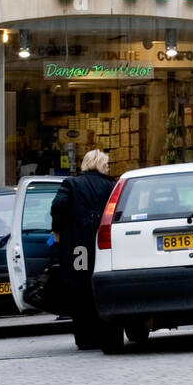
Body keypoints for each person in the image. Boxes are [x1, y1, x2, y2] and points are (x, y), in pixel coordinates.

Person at [50, 149, 115, 350]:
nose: (108, 168)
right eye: (106, 164)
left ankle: (85, 337)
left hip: (79, 247)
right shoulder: (111, 186)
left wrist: (57, 230)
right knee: (103, 286)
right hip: (103, 245)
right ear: (100, 165)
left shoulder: (71, 183)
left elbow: (58, 205)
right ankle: (105, 333)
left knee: (80, 286)